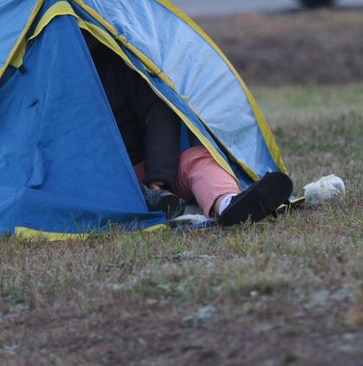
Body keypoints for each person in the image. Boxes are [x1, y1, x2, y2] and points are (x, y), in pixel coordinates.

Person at [87, 34, 292, 226]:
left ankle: (226, 203)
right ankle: (150, 201)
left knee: (200, 158)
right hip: (100, 182)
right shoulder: (61, 71)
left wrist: (157, 180)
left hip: (147, 171)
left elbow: (160, 112)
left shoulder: (121, 63)